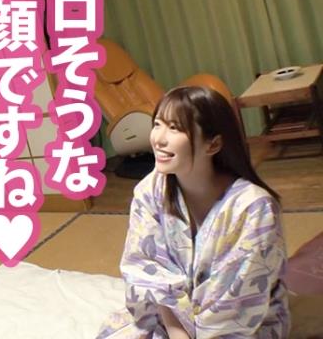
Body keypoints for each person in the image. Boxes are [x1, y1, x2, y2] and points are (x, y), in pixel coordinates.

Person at [97, 86, 290, 338]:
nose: (158, 139)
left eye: (174, 128)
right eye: (157, 124)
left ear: (214, 144)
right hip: (173, 319)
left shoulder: (254, 208)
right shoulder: (150, 190)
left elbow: (238, 302)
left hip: (241, 324)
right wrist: (178, 332)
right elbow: (150, 271)